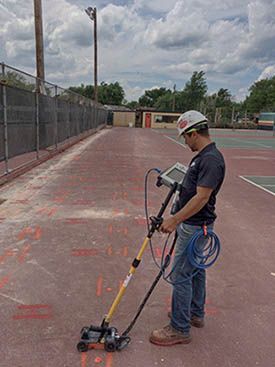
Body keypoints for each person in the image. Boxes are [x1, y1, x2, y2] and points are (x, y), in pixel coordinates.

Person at [149, 110, 225, 346]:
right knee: (196, 270)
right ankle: (194, 314)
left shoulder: (210, 159)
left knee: (181, 274)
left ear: (194, 133)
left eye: (185, 136)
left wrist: (174, 220)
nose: (185, 141)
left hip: (195, 226)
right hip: (194, 225)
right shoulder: (203, 156)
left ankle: (179, 328)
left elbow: (201, 198)